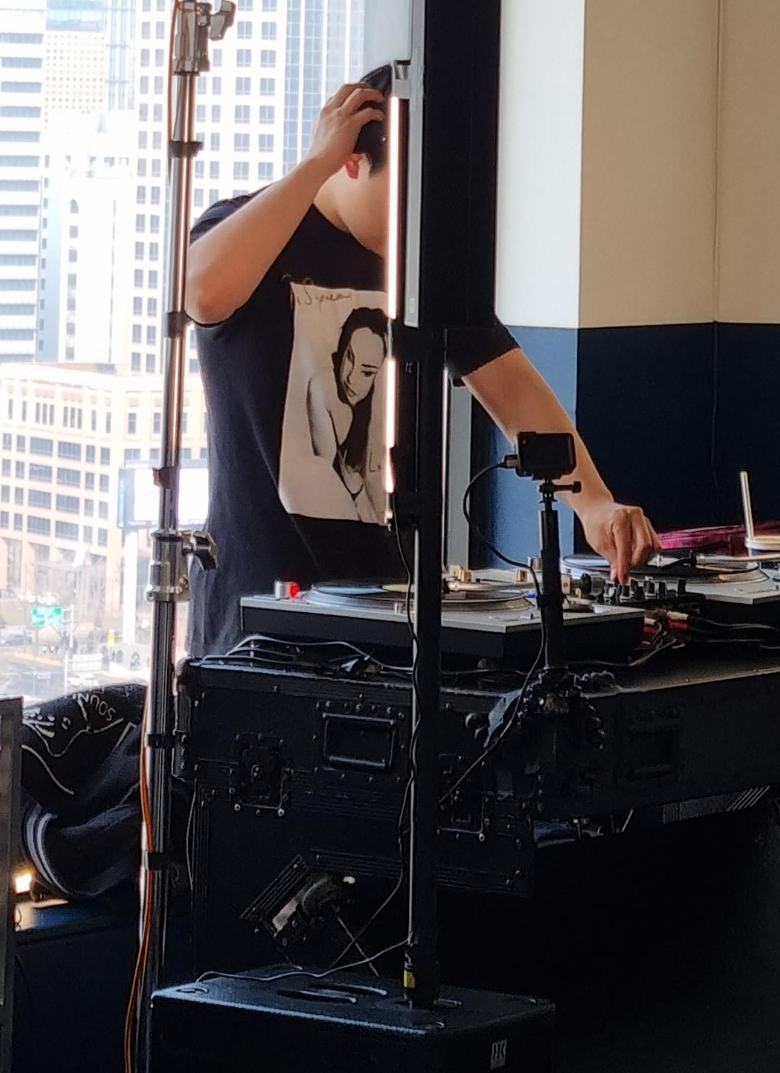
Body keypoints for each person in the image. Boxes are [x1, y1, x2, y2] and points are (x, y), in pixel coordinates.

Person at [181, 65, 659, 659]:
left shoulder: (419, 271)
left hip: (380, 622)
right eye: (409, 193)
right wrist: (313, 165)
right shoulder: (254, 229)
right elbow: (200, 292)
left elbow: (512, 388)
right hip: (252, 626)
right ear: (352, 161)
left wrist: (594, 503)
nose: (421, 220)